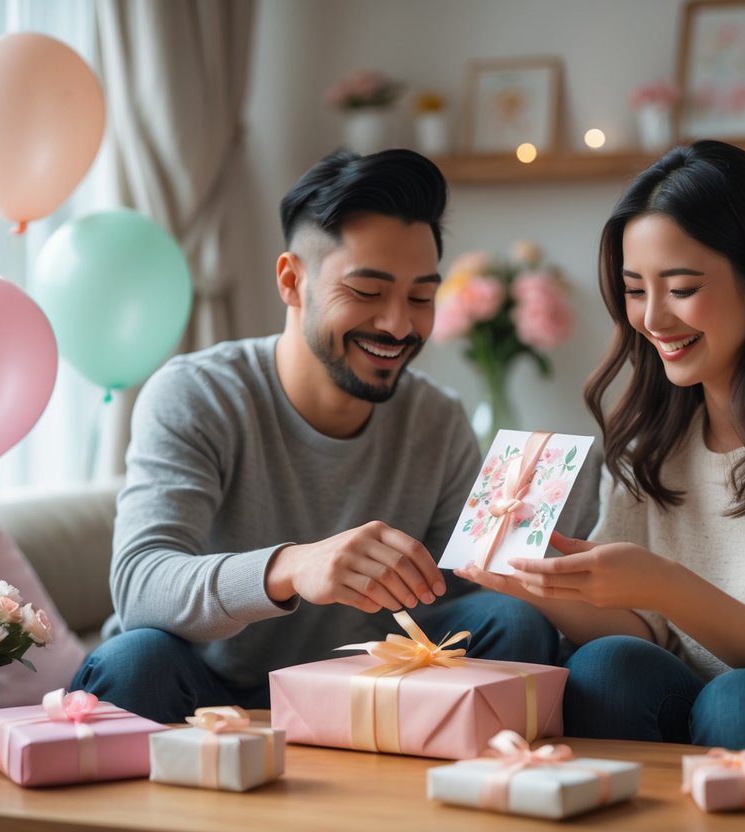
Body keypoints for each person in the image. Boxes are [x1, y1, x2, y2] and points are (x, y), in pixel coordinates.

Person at [72, 149, 559, 722]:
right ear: (291, 280)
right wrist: (292, 567)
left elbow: (462, 601)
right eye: (368, 292)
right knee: (135, 659)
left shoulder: (437, 419)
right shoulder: (197, 394)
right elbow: (139, 587)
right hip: (206, 690)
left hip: (368, 691)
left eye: (421, 297)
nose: (399, 325)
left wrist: (528, 545)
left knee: (516, 623)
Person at [457, 140, 745, 760]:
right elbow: (646, 631)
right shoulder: (653, 427)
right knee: (607, 666)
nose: (653, 318)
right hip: (702, 703)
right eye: (635, 289)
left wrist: (666, 585)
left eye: (683, 288)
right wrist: (531, 585)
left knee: (741, 700)